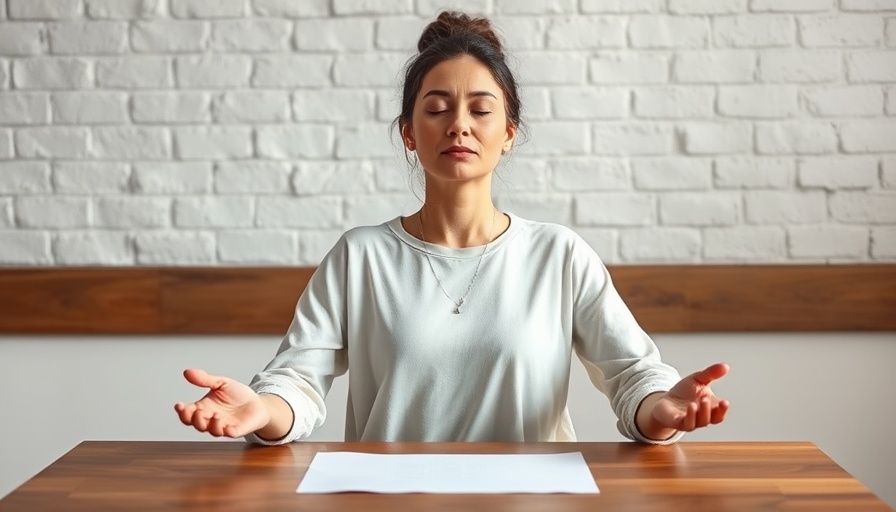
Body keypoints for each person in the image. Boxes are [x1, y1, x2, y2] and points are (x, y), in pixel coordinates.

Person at [175, 11, 729, 445]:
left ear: (509, 131)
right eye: (437, 107)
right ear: (409, 133)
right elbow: (295, 380)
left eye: (481, 110)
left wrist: (664, 410)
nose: (459, 124)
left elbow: (634, 375)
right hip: (389, 501)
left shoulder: (558, 254)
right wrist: (261, 412)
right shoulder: (360, 256)